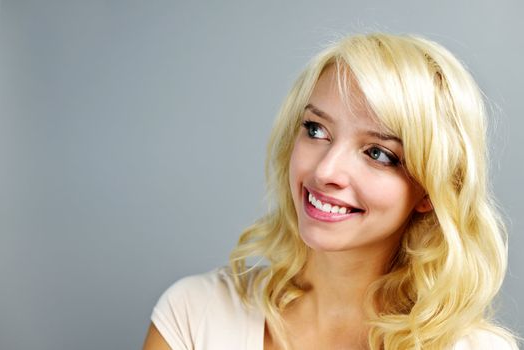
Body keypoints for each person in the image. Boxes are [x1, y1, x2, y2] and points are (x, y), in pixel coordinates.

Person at [142, 33, 518, 349]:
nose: (325, 171)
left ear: (429, 193)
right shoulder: (194, 314)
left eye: (378, 153)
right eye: (316, 130)